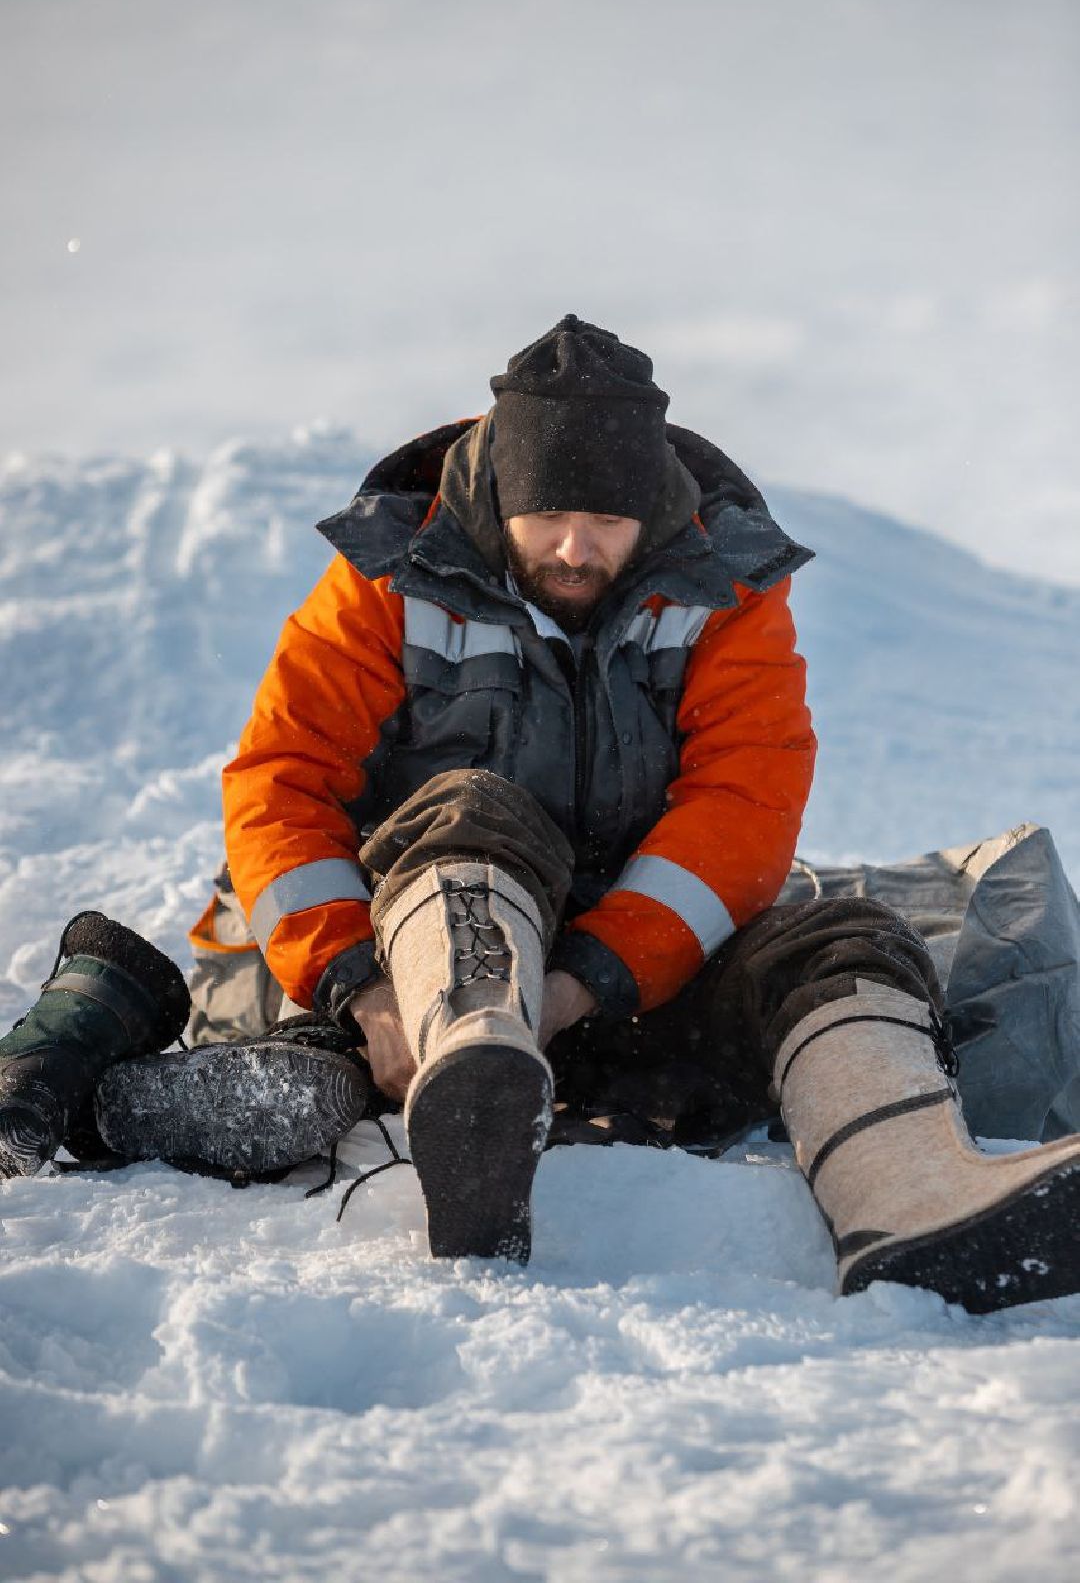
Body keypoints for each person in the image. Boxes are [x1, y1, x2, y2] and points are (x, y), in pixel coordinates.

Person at [3, 317, 1079, 1314]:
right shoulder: (391, 573)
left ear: (650, 508)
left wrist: (586, 982)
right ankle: (471, 1072)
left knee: (841, 937)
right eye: (548, 517)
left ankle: (912, 1197)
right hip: (409, 973)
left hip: (619, 980)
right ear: (499, 499)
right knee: (476, 806)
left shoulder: (726, 589)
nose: (574, 547)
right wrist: (358, 988)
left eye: (604, 521)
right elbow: (280, 781)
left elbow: (744, 802)